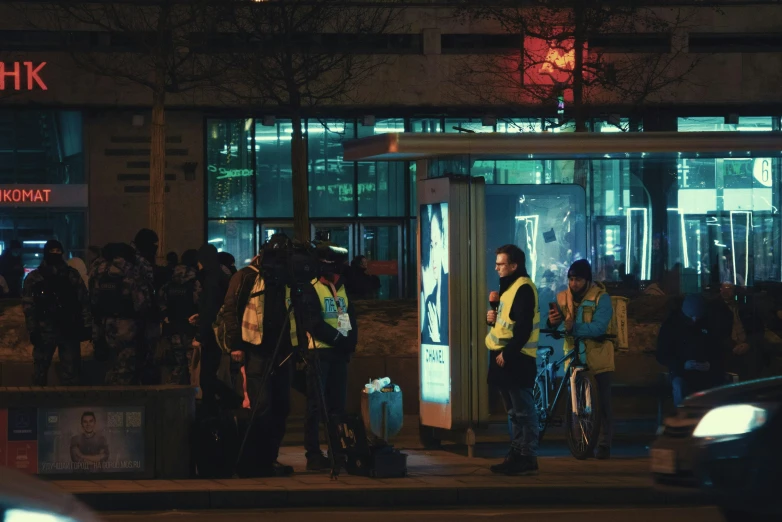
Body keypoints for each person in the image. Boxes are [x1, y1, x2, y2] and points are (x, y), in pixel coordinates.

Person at [219, 239, 294, 477]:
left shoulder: (286, 278)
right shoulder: (245, 277)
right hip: (256, 351)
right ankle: (256, 461)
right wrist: (236, 345)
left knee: (281, 406)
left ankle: (269, 458)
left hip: (282, 351)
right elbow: (231, 310)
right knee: (260, 407)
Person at [547, 259, 615, 460]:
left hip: (599, 359)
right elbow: (557, 327)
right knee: (576, 405)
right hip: (574, 360)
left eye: (577, 279)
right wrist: (552, 323)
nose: (573, 283)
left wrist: (574, 328)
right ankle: (580, 442)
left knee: (602, 404)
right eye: (570, 279)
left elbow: (599, 327)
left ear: (587, 280)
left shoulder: (601, 298)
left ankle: (604, 444)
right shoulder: (562, 297)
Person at [301, 242, 357, 471]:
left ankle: (338, 451)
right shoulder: (311, 288)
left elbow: (349, 318)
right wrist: (338, 339)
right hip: (320, 352)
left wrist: (349, 343)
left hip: (339, 354)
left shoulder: (341, 287)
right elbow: (313, 322)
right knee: (315, 407)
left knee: (337, 407)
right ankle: (314, 455)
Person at [485, 244, 540, 475]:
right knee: (513, 412)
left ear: (514, 265)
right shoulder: (509, 288)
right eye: (496, 263)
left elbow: (524, 328)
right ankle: (517, 453)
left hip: (516, 359)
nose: (496, 267)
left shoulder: (523, 288)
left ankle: (526, 456)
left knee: (522, 411)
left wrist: (507, 354)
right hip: (505, 358)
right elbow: (508, 323)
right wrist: (492, 317)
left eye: (501, 263)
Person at [22, 240, 92, 386]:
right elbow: (29, 306)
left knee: (71, 372)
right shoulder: (35, 278)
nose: (55, 254)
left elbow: (83, 301)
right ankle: (37, 405)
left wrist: (86, 325)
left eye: (58, 251)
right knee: (40, 372)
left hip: (68, 328)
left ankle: (69, 407)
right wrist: (33, 329)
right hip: (44, 329)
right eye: (52, 251)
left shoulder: (71, 275)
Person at [90, 243, 152, 385]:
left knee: (111, 364)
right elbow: (142, 300)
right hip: (127, 323)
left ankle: (109, 396)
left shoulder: (98, 270)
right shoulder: (130, 270)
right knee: (126, 365)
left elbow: (93, 298)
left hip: (105, 323)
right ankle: (121, 400)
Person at [657, 294, 726, 405]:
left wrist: (710, 365)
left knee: (718, 384)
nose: (694, 320)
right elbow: (662, 355)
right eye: (691, 316)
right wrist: (683, 365)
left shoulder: (708, 323)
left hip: (707, 372)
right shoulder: (671, 325)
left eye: (697, 316)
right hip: (681, 372)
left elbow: (718, 350)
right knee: (679, 385)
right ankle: (682, 417)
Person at [193, 243, 231, 405]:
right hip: (219, 328)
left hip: (213, 331)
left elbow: (210, 309)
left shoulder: (210, 279)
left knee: (207, 377)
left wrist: (200, 335)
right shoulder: (220, 275)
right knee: (210, 375)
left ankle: (226, 405)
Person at [159, 255, 201, 385]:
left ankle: (173, 394)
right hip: (191, 328)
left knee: (176, 364)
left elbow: (161, 304)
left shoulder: (168, 285)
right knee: (191, 364)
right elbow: (200, 303)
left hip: (173, 328)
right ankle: (193, 396)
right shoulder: (195, 284)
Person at [421, 204, 448, 345]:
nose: (432, 256)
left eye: (436, 244)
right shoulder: (430, 301)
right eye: (431, 245)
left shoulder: (454, 297)